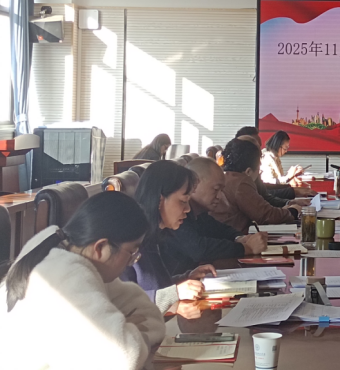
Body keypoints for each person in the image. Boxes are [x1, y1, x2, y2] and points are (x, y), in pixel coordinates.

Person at [0, 192, 165, 370]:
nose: (131, 261)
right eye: (132, 253)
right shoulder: (64, 276)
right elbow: (122, 358)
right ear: (101, 247)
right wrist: (131, 330)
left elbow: (145, 312)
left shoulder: (67, 251)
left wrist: (126, 330)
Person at [122, 160, 217, 314]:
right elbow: (122, 302)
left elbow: (154, 286)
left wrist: (186, 277)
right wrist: (175, 293)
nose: (187, 209)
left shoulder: (152, 236)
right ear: (160, 200)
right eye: (183, 201)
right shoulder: (128, 240)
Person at [159, 158, 269, 275]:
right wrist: (246, 248)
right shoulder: (176, 216)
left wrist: (239, 238)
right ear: (195, 184)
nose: (220, 197)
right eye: (216, 189)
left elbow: (220, 229)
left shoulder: (199, 213)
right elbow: (198, 249)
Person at [210, 138, 299, 231]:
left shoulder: (225, 176)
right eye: (259, 168)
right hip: (236, 236)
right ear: (248, 171)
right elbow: (265, 215)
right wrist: (294, 210)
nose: (260, 171)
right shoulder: (241, 182)